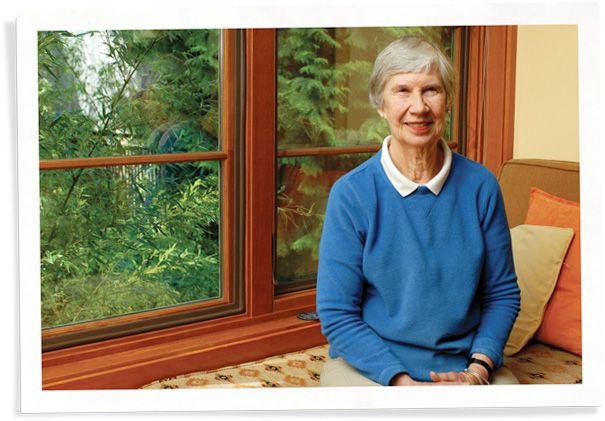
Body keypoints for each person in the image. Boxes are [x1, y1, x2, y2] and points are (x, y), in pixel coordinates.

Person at [316, 36, 521, 387]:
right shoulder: (352, 194)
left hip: (467, 364)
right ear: (380, 104)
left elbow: (501, 294)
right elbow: (337, 314)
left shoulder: (481, 187)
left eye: (431, 90)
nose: (419, 107)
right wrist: (401, 384)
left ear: (448, 101)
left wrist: (479, 368)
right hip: (373, 365)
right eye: (402, 91)